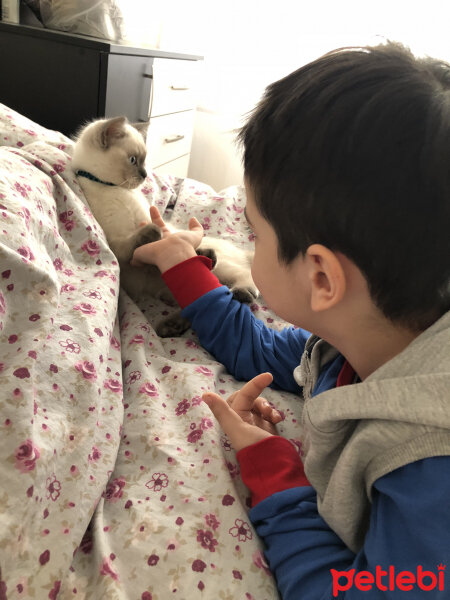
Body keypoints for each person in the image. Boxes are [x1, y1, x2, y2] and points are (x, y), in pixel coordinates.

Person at [131, 42, 450, 599]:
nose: (245, 243)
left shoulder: (426, 467)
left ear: (322, 279)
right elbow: (264, 351)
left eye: (254, 233)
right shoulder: (373, 331)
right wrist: (182, 264)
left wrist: (274, 474)